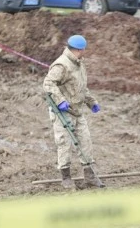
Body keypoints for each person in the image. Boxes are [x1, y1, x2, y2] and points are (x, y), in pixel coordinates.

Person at [43, 35, 105, 189]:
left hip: (77, 110)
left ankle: (90, 176)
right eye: (83, 49)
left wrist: (91, 102)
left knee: (86, 142)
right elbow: (48, 84)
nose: (84, 52)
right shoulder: (61, 65)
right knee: (64, 144)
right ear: (78, 49)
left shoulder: (79, 64)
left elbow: (81, 87)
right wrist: (60, 100)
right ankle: (66, 178)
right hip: (63, 113)